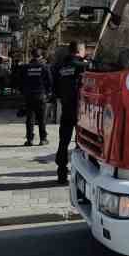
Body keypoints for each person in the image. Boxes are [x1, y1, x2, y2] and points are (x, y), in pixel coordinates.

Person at [53, 41, 90, 184]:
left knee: (63, 142)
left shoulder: (59, 67)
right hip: (82, 111)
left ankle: (61, 173)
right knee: (82, 144)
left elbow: (55, 89)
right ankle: (79, 174)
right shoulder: (83, 66)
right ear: (80, 50)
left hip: (66, 108)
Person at [18, 50, 52, 147]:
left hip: (29, 96)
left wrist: (23, 92)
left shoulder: (25, 68)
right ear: (41, 56)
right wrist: (48, 93)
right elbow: (50, 82)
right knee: (42, 119)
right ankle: (43, 139)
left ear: (31, 56)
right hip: (41, 96)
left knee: (30, 118)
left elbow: (20, 81)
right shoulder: (45, 67)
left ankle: (29, 140)